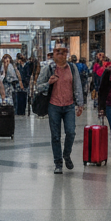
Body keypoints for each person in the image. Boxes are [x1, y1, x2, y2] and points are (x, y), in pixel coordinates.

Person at [37, 45, 84, 173]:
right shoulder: (48, 69)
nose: (60, 55)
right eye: (58, 52)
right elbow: (38, 86)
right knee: (55, 136)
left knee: (71, 132)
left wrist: (80, 104)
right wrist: (49, 83)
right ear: (53, 55)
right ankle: (58, 163)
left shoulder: (72, 68)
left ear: (66, 54)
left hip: (69, 106)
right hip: (54, 106)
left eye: (63, 52)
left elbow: (77, 86)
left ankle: (66, 154)